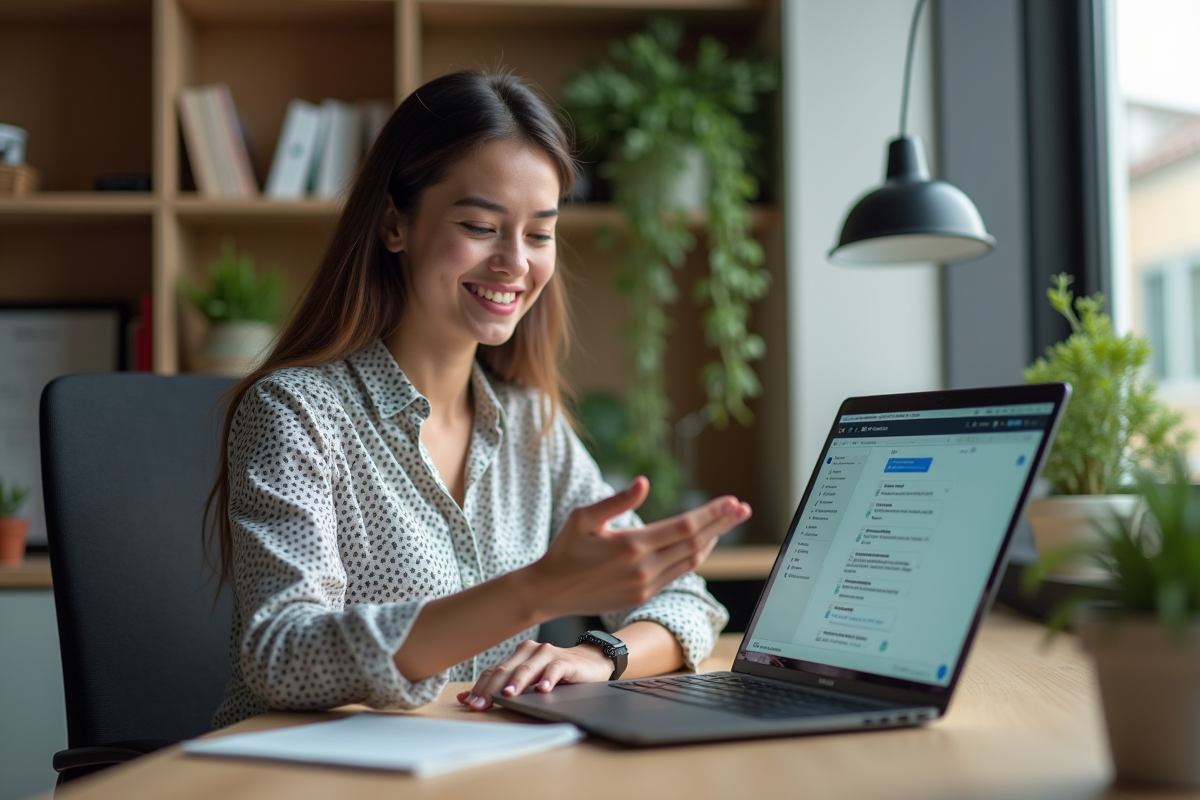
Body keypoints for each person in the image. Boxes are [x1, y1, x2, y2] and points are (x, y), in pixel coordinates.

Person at [206, 71, 751, 728]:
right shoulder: (297, 413)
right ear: (393, 226)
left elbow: (686, 603)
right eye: (479, 225)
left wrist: (598, 656)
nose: (515, 263)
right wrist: (536, 592)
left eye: (540, 233)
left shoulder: (530, 425)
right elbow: (281, 654)